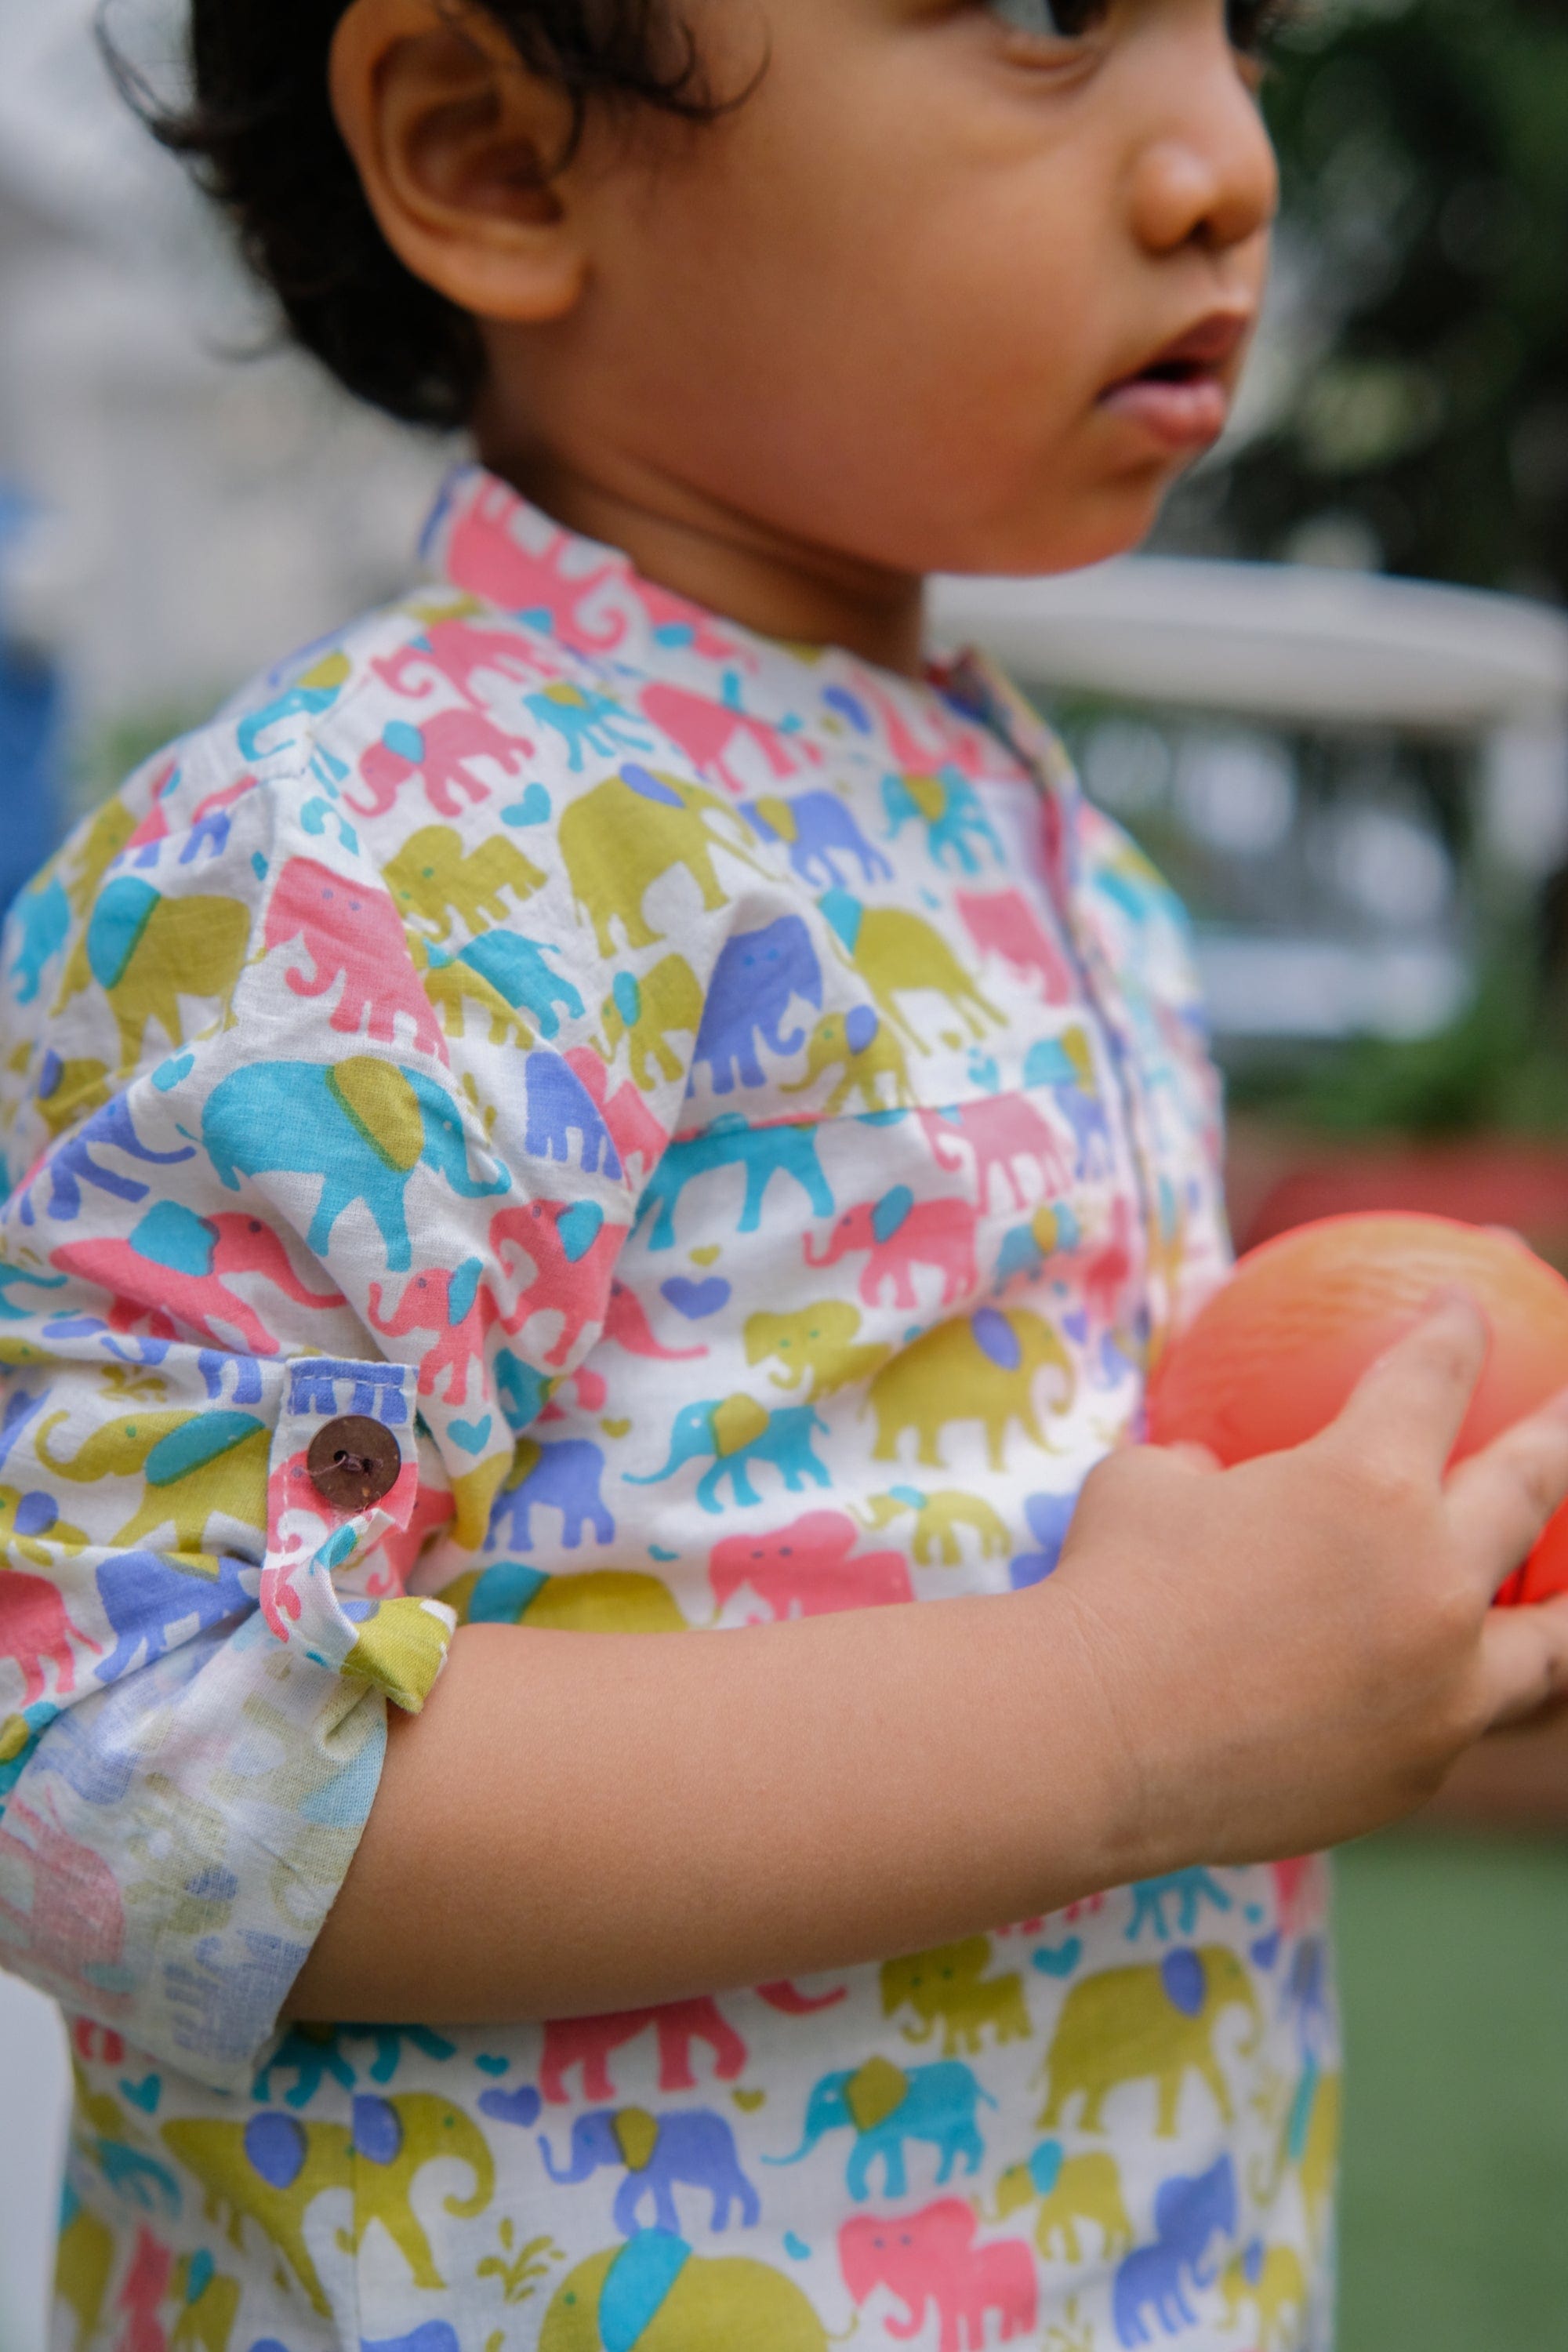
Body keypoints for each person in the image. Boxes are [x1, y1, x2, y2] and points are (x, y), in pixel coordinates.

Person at [2, 2, 1566, 2344]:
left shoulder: (1053, 855)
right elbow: (122, 1767)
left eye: (1233, 27)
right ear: (494, 153)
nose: (1224, 160)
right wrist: (1126, 1714)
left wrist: (1360, 1633)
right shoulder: (361, 861)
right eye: (1050, 19)